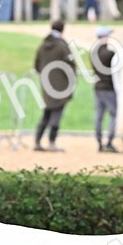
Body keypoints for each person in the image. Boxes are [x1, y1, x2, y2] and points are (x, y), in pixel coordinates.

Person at [33, 19, 76, 152]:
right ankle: (52, 141)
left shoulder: (43, 44)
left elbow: (37, 64)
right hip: (61, 85)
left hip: (46, 83)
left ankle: (37, 141)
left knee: (46, 112)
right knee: (57, 113)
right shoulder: (62, 45)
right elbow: (71, 65)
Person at [91, 26, 118, 153]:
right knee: (113, 114)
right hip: (109, 88)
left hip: (98, 87)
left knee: (99, 116)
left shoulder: (93, 53)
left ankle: (99, 141)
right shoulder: (110, 54)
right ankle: (109, 142)